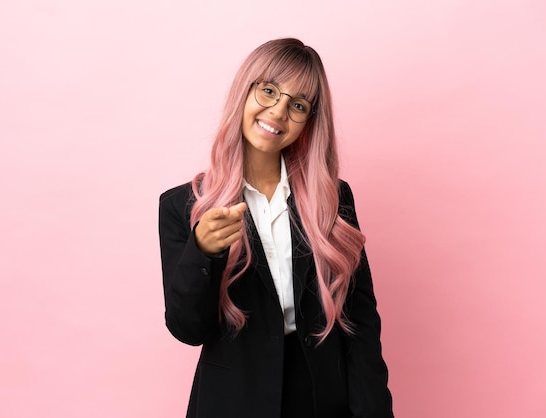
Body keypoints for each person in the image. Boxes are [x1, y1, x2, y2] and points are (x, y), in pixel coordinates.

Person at [158, 38, 394, 418]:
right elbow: (188, 328)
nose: (279, 111)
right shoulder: (182, 206)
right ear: (245, 90)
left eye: (297, 104)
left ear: (309, 122)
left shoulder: (333, 198)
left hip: (321, 399)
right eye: (268, 90)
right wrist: (203, 252)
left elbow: (361, 324)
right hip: (233, 400)